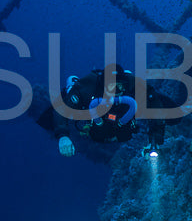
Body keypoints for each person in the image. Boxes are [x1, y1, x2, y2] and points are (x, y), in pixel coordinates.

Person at [36, 63, 179, 157]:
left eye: (120, 86)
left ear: (125, 84)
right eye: (111, 87)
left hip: (122, 121)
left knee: (172, 113)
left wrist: (154, 140)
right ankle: (70, 84)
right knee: (60, 108)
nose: (116, 91)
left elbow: (154, 105)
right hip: (93, 118)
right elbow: (62, 109)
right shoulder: (86, 87)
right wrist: (63, 136)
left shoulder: (134, 85)